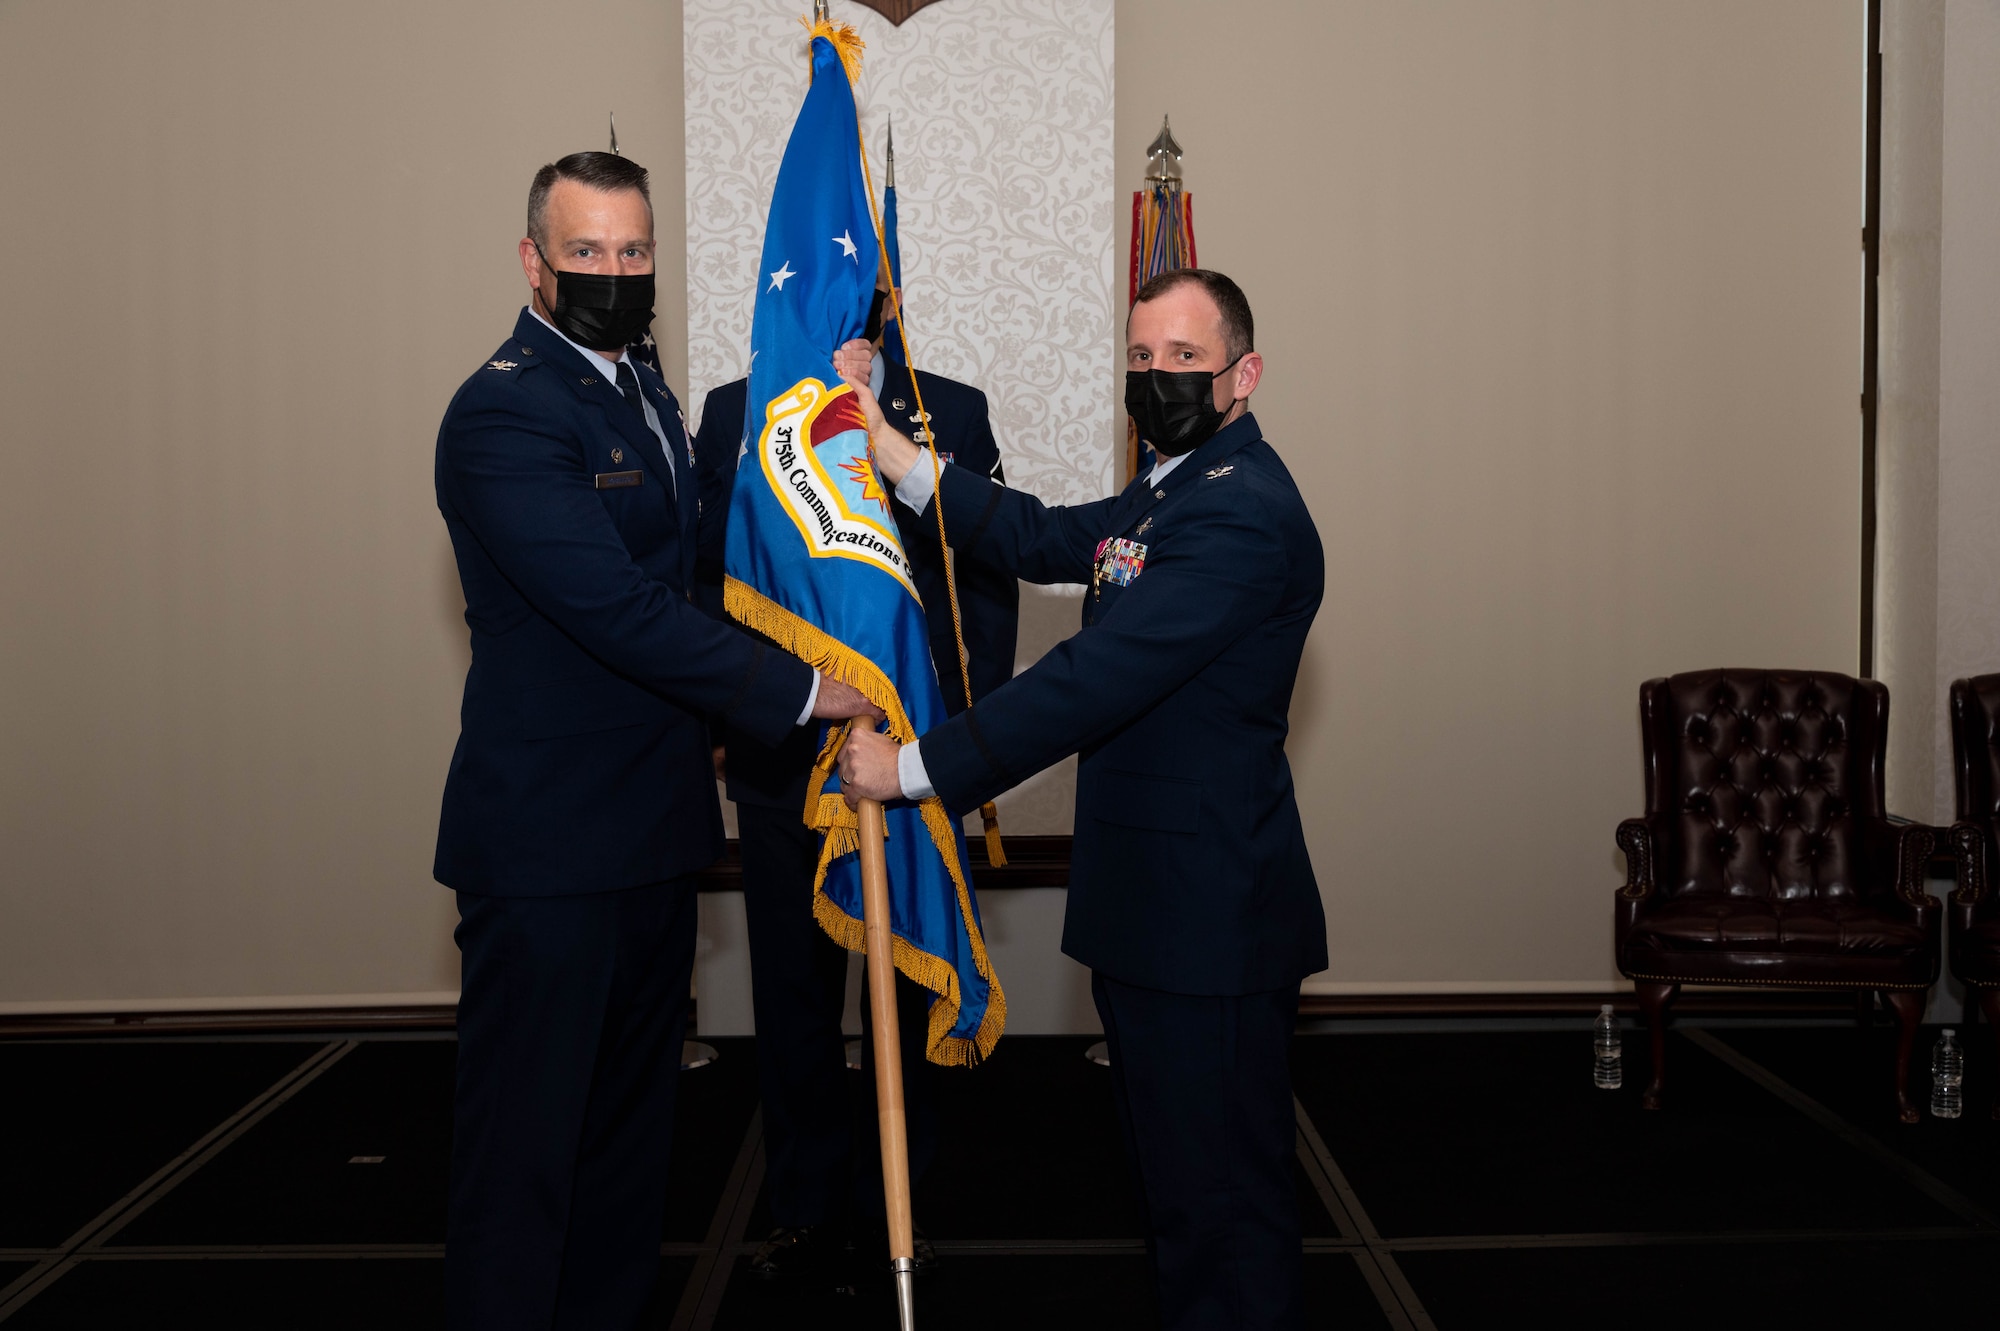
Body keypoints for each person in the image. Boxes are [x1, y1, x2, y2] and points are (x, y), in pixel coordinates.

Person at [431, 150, 880, 1331]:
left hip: (652, 828)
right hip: (548, 849)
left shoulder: (643, 391)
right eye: (588, 252)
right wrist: (804, 690)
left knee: (630, 1147)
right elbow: (617, 612)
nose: (615, 274)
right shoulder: (501, 411)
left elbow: (694, 574)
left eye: (634, 253)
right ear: (534, 260)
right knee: (525, 1157)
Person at [834, 269, 1326, 1330]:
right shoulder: (1172, 485)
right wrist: (899, 459)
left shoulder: (1241, 514)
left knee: (1221, 1199)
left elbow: (1086, 680)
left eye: (1182, 360)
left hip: (1208, 917)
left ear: (1242, 374)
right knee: (1179, 1187)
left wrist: (916, 769)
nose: (1155, 379)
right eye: (1140, 359)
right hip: (1156, 905)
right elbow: (1047, 537)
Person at [691, 262, 1019, 1284]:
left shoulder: (946, 408)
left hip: (910, 758)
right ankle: (803, 1208)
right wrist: (750, 706)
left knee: (903, 977)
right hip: (783, 755)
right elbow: (708, 575)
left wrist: (957, 730)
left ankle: (902, 1206)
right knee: (792, 1002)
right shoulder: (733, 411)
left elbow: (986, 584)